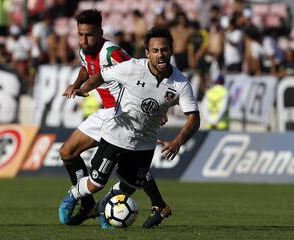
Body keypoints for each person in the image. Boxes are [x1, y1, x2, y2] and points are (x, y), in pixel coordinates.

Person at [61, 27, 200, 229]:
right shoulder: (132, 67)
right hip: (115, 134)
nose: (160, 54)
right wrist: (84, 89)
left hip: (144, 144)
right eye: (155, 50)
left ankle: (105, 209)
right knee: (95, 184)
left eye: (164, 50)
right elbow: (101, 75)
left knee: (129, 186)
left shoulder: (181, 84)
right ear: (147, 53)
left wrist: (178, 141)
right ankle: (73, 195)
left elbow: (194, 118)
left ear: (171, 50)